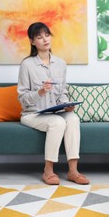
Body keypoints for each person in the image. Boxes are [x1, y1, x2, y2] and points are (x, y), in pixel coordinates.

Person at [17, 22, 89, 185]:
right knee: (57, 122)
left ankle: (73, 171)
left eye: (47, 35)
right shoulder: (27, 65)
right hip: (32, 114)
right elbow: (22, 99)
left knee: (72, 118)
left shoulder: (61, 64)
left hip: (54, 112)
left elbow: (62, 93)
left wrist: (66, 105)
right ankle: (48, 171)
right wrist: (40, 92)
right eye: (39, 37)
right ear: (32, 41)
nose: (44, 39)